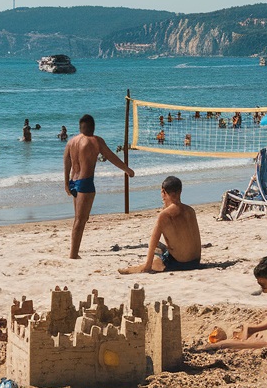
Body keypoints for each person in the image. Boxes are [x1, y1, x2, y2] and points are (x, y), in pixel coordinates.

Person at [63, 114, 135, 259]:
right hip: (85, 182)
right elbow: (111, 157)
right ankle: (73, 254)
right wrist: (127, 170)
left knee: (80, 218)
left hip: (73, 182)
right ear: (93, 127)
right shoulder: (95, 141)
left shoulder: (71, 142)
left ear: (80, 127)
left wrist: (66, 184)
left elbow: (66, 163)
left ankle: (74, 251)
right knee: (80, 220)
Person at [204, 255, 267, 350]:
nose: (261, 287)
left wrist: (254, 329)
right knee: (228, 340)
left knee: (224, 345)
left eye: (264, 285)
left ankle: (211, 347)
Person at [119, 176, 202, 274]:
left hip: (179, 264)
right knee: (163, 247)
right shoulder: (190, 210)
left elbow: (153, 242)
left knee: (157, 248)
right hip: (195, 261)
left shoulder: (165, 215)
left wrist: (148, 266)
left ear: (163, 192)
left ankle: (142, 267)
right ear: (180, 191)